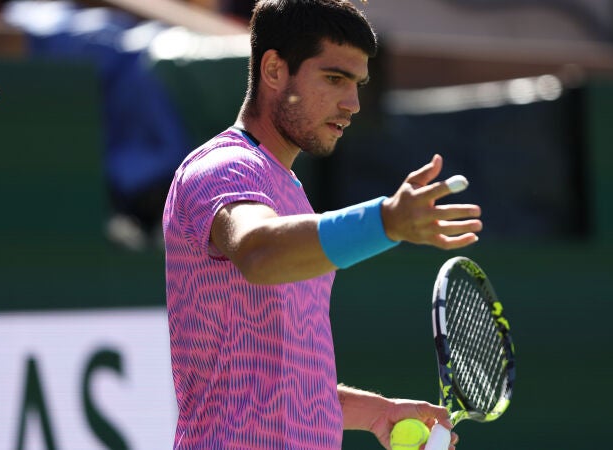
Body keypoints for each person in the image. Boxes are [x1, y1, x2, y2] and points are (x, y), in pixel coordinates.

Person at [162, 1, 482, 448]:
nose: (352, 104)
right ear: (274, 70)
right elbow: (259, 253)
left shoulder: (291, 196)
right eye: (334, 78)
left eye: (357, 84)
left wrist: (378, 413)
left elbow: (277, 384)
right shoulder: (223, 168)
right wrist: (386, 220)